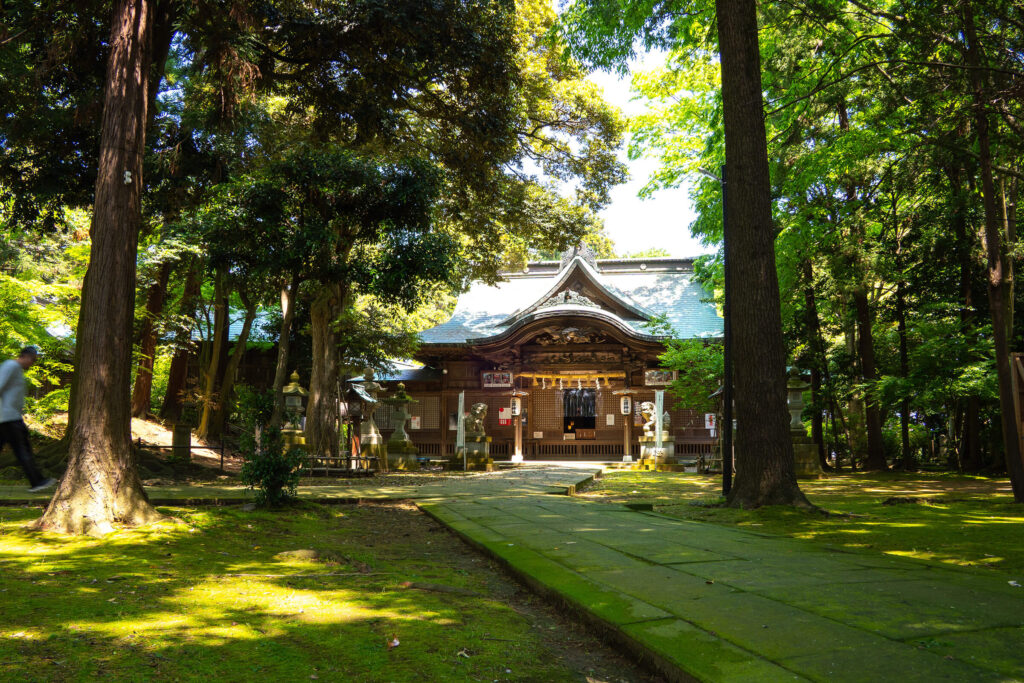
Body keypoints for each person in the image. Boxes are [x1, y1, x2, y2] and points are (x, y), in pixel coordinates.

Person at [0, 347, 56, 492]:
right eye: (32, 359)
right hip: (8, 418)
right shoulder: (10, 366)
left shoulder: (16, 369)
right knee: (22, 450)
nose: (32, 363)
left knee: (22, 450)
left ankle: (37, 481)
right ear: (24, 356)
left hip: (9, 418)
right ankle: (37, 482)